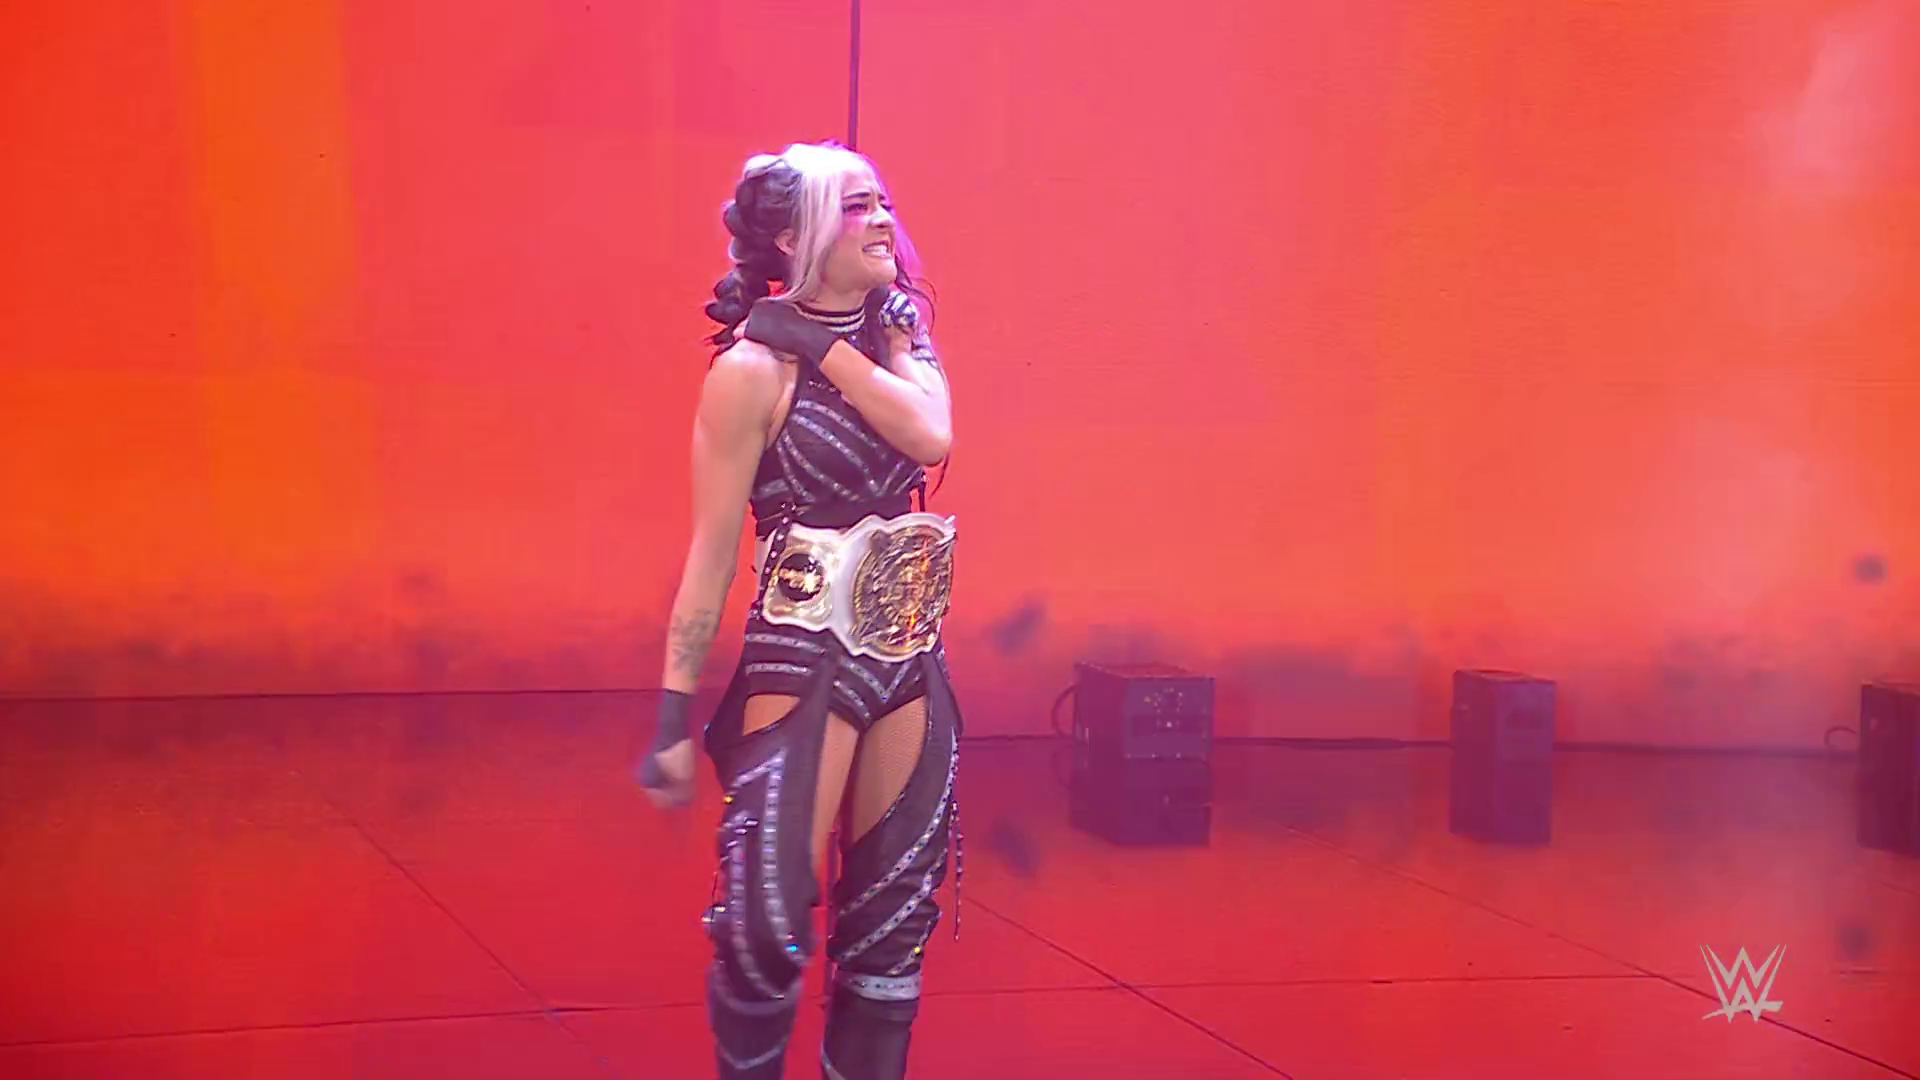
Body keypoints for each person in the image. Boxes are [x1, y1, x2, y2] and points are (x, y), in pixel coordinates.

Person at [637, 141, 963, 1080]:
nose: (882, 221)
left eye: (883, 202)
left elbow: (930, 434)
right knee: (764, 928)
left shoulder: (901, 338)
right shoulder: (749, 373)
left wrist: (821, 342)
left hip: (908, 660)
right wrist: (672, 716)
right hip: (802, 654)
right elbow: (711, 553)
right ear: (793, 236)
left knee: (893, 931)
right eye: (856, 206)